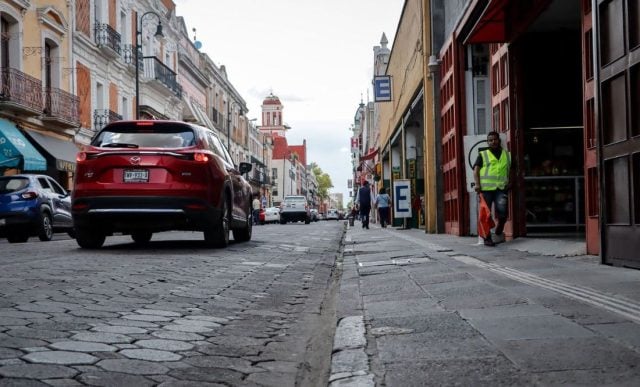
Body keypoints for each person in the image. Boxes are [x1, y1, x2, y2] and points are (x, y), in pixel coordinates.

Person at [473, 131, 514, 246]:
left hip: (501, 188)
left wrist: (511, 181)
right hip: (486, 189)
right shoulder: (483, 154)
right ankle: (487, 238)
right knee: (485, 215)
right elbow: (476, 170)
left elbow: (511, 169)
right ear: (487, 142)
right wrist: (477, 184)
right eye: (490, 140)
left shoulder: (506, 155)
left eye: (495, 139)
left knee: (503, 214)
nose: (493, 142)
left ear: (499, 141)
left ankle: (498, 231)